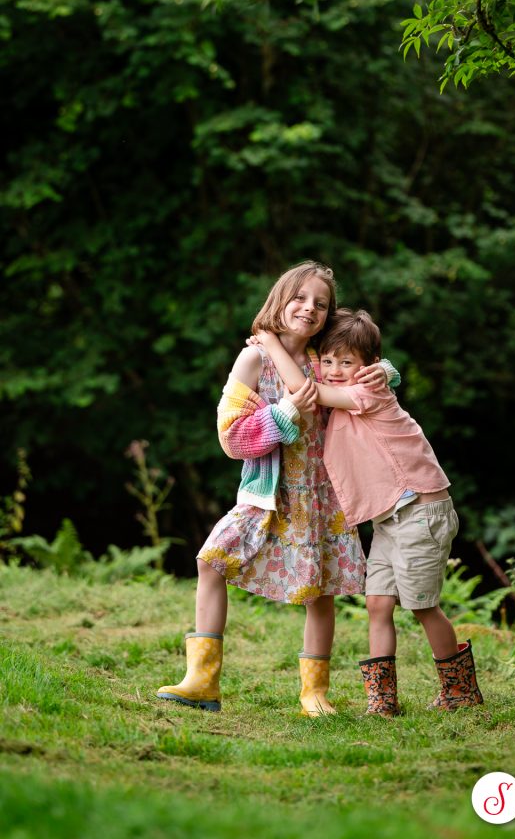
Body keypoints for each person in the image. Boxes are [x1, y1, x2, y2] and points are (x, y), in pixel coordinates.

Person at [157, 262, 393, 717]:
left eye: (321, 304)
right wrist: (284, 411)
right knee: (211, 561)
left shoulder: (327, 354)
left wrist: (387, 372)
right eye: (300, 298)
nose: (309, 309)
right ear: (280, 298)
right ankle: (203, 680)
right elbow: (231, 436)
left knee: (319, 592)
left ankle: (314, 693)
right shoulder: (253, 358)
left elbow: (369, 360)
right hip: (267, 492)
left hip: (324, 493)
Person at [253, 309, 484, 716]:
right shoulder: (349, 380)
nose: (336, 370)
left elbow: (308, 390)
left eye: (347, 362)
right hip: (388, 519)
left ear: (368, 367)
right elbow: (314, 379)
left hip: (421, 510)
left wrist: (270, 342)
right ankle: (382, 702)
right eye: (328, 361)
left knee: (421, 605)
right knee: (377, 604)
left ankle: (460, 691)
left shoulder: (367, 391)